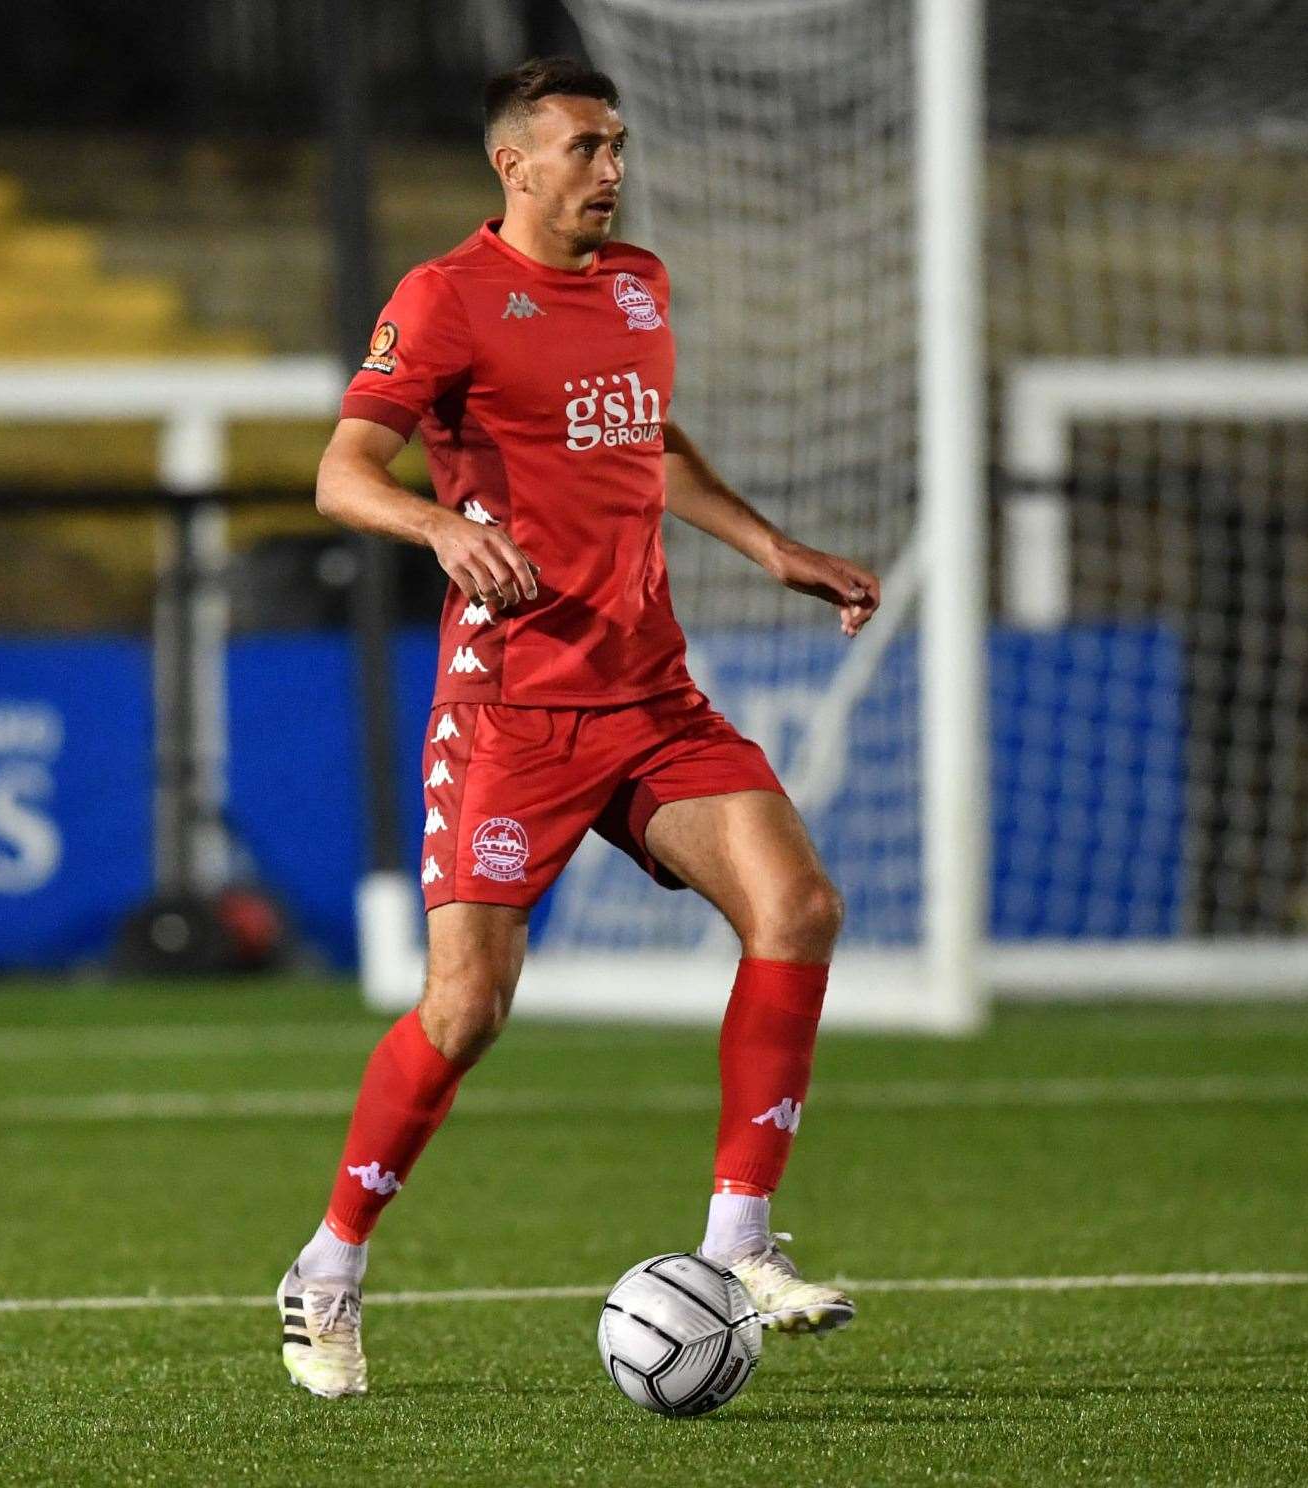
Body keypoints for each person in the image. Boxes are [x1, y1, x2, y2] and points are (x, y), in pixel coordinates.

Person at [280, 56, 881, 1398]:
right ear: (516, 163)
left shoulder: (638, 283)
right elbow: (341, 473)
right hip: (513, 713)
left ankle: (739, 1247)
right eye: (589, 149)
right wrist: (438, 523)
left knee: (799, 909)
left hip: (651, 695)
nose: (613, 171)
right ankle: (327, 1270)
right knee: (469, 1007)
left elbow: (646, 441)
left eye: (619, 147)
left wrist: (772, 547)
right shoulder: (445, 300)